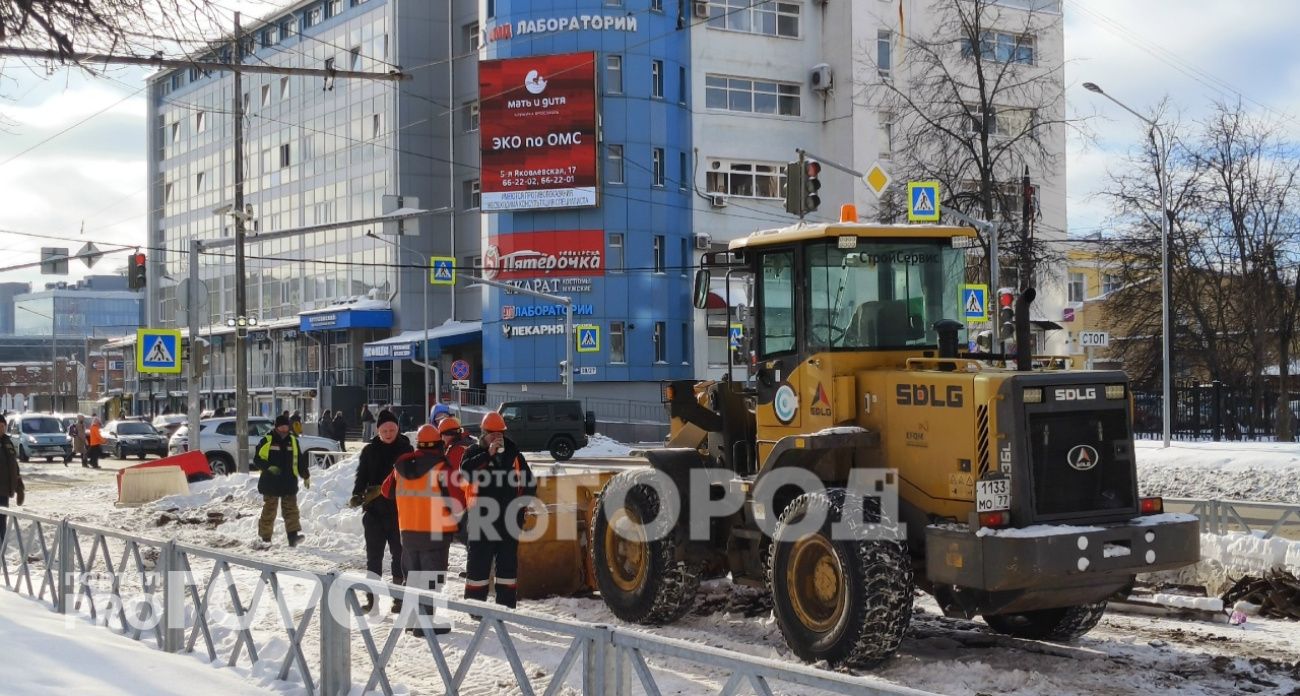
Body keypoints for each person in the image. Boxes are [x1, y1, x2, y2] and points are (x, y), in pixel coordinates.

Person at [382, 424, 464, 636]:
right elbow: (457, 500)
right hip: (435, 533)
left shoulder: (401, 465)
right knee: (431, 577)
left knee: (413, 576)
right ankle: (425, 624)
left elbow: (386, 491)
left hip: (408, 532)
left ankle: (411, 620)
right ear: (438, 444)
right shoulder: (441, 468)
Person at [461, 411, 536, 609]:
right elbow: (465, 473)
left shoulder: (514, 454)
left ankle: (506, 606)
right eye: (492, 433)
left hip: (508, 519)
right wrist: (488, 454)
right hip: (481, 518)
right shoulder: (473, 453)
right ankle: (475, 607)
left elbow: (529, 483)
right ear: (483, 434)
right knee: (478, 564)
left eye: (500, 433)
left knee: (507, 566)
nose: (497, 437)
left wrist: (520, 510)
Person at [348, 409, 413, 612]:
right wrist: (358, 494)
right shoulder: (369, 451)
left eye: (392, 429)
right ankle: (371, 598)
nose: (388, 433)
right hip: (374, 512)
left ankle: (398, 598)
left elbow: (413, 479)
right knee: (373, 557)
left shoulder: (406, 449)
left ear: (398, 429)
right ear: (378, 431)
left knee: (399, 555)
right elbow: (362, 475)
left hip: (398, 511)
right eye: (384, 430)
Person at [255, 414, 310, 546]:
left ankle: (293, 537)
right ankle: (265, 539)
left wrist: (305, 475)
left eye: (286, 426)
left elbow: (300, 460)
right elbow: (257, 460)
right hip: (270, 482)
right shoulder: (267, 440)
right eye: (282, 426)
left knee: (291, 510)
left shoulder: (293, 441)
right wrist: (268, 467)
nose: (285, 429)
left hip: (288, 482)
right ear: (277, 427)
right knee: (269, 511)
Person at [0, 418, 24, 543]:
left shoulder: (7, 441)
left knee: (2, 519)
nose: (2, 428)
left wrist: (19, 486)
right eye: (0, 426)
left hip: (4, 491)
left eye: (3, 426)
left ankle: (2, 548)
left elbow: (14, 464)